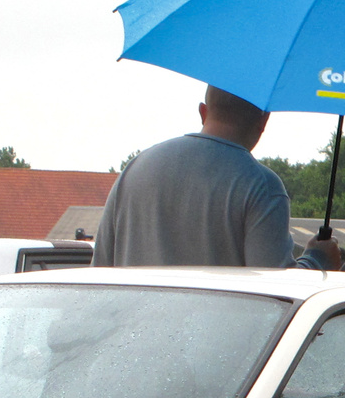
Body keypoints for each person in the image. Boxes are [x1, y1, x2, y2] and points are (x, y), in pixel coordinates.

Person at [93, 86, 298, 267]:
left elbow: (99, 272)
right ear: (264, 120)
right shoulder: (262, 186)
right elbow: (275, 284)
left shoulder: (135, 169)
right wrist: (314, 257)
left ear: (203, 112)